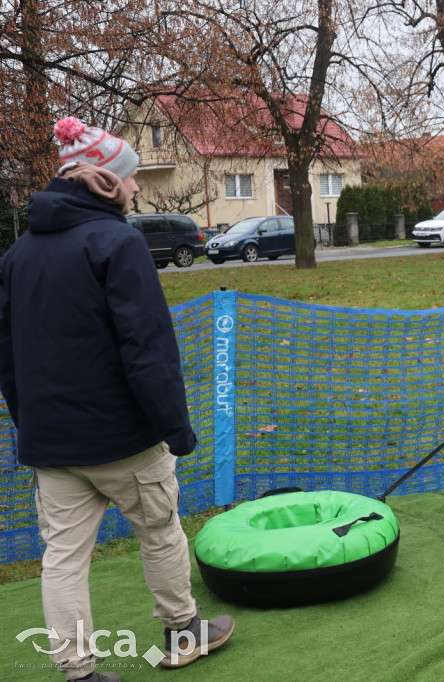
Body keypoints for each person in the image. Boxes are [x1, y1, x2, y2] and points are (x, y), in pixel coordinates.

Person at [0, 117, 234, 682]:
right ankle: (182, 633)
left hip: (51, 444)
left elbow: (6, 356)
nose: (136, 189)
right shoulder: (119, 242)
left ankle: (78, 673)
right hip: (124, 440)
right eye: (130, 179)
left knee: (62, 559)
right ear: (106, 181)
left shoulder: (16, 255)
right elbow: (148, 351)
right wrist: (175, 429)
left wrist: (27, 422)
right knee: (160, 532)